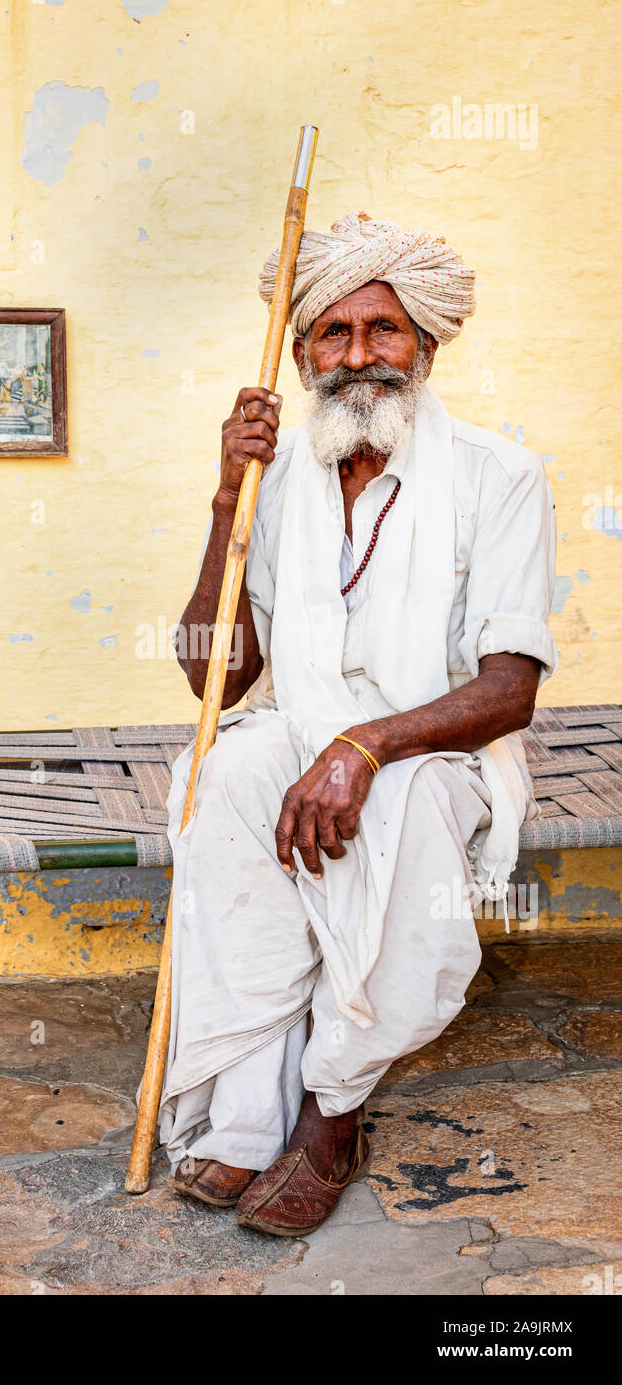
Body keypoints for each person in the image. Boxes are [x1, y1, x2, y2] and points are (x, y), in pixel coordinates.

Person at [158, 211, 557, 1237]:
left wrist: (363, 745)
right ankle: (247, 1113)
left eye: (382, 330)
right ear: (298, 357)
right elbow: (219, 674)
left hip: (436, 747)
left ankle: (331, 1112)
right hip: (300, 735)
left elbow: (508, 689)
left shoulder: (494, 475)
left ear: (424, 345)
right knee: (227, 776)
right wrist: (223, 503)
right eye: (330, 334)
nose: (357, 356)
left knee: (402, 805)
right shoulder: (279, 476)